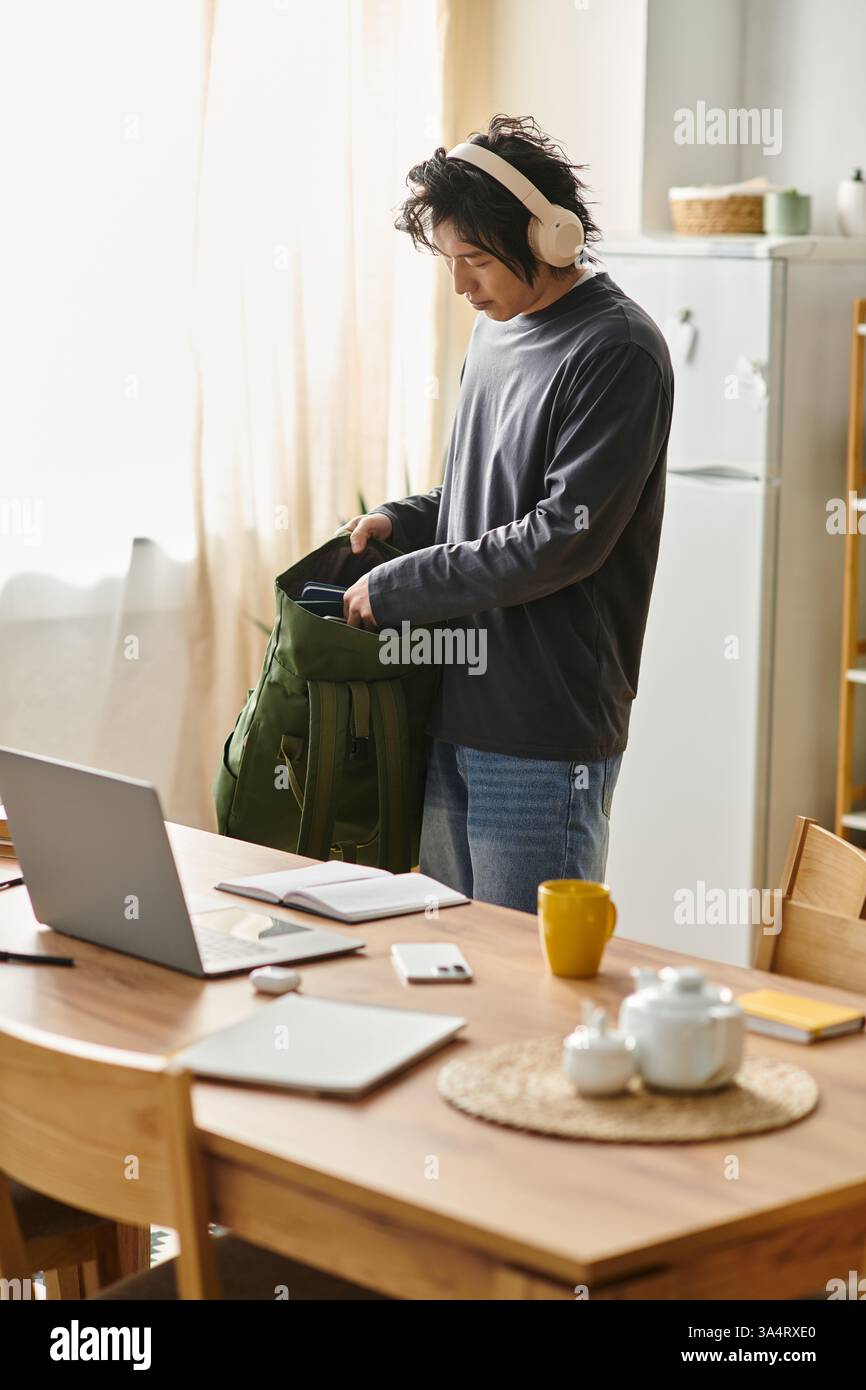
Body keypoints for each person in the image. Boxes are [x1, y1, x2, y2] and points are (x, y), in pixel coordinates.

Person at [341, 114, 674, 914]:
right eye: (452, 262)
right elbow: (481, 497)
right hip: (458, 706)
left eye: (477, 261)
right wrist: (407, 521)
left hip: (545, 728)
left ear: (553, 237)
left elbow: (562, 538)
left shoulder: (616, 349)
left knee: (531, 985)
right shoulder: (498, 332)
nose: (462, 285)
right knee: (455, 963)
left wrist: (405, 584)